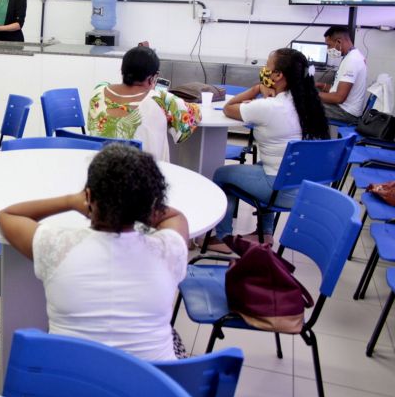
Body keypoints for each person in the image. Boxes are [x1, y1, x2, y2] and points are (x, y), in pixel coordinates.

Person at [0, 144, 189, 361]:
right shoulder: (168, 251)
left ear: (88, 196)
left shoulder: (57, 246)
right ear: (149, 203)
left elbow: (7, 216)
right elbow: (176, 217)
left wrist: (70, 201)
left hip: (70, 387)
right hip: (150, 388)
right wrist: (136, 206)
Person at [205, 48, 330, 253]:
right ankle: (265, 233)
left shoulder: (270, 107)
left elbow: (228, 108)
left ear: (278, 75)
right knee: (262, 165)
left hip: (278, 189)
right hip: (304, 186)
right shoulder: (306, 103)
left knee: (222, 174)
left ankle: (223, 238)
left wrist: (256, 89)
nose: (265, 71)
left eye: (268, 67)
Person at [87, 45, 200, 161]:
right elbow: (193, 115)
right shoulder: (161, 100)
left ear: (122, 71)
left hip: (100, 171)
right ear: (152, 77)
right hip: (143, 175)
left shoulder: (98, 91)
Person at [317, 25, 368, 127]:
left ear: (339, 42)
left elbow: (339, 98)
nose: (328, 49)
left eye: (329, 45)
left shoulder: (352, 61)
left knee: (301, 105)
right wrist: (322, 86)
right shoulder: (352, 56)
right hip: (345, 108)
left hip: (347, 113)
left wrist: (309, 94)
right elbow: (339, 90)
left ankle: (309, 141)